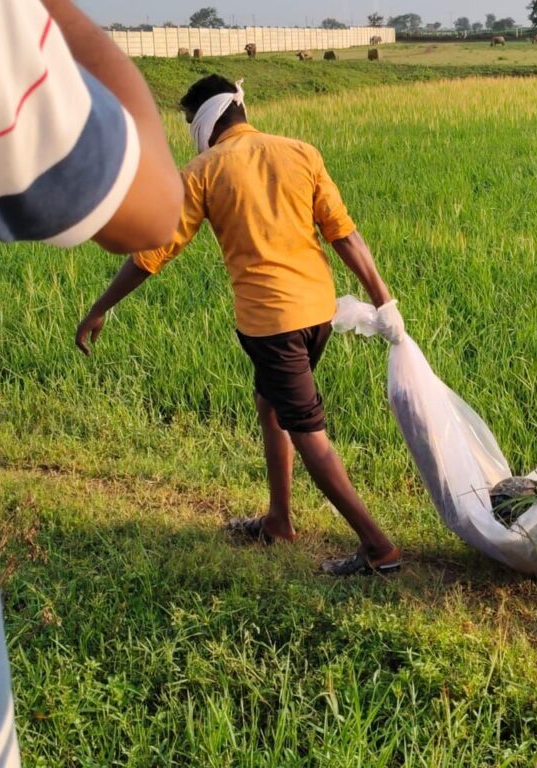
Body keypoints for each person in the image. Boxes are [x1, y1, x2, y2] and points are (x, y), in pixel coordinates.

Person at [0, 0, 183, 763]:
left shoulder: (221, 168)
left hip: (270, 318)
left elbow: (152, 234)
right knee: (290, 418)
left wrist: (97, 310)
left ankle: (360, 541)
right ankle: (293, 522)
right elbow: (150, 200)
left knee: (289, 420)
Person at [74, 74, 404, 576]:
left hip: (272, 323)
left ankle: (378, 547)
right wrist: (385, 302)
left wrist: (100, 306)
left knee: (307, 431)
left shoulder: (204, 170)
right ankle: (278, 521)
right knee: (269, 403)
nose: (189, 133)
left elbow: (152, 253)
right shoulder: (301, 152)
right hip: (318, 314)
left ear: (205, 120)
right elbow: (344, 233)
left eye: (188, 122)